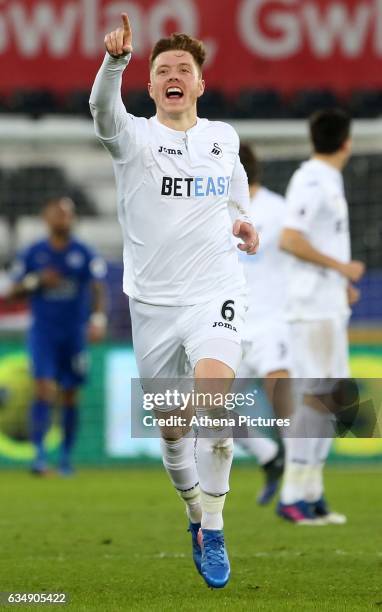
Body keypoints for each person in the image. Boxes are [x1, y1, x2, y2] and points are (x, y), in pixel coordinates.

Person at [89, 14, 259, 588]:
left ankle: (213, 527)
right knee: (171, 426)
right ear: (151, 85)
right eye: (162, 70)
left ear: (200, 84)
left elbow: (234, 182)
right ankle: (194, 512)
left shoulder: (223, 136)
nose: (173, 74)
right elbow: (100, 112)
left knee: (214, 405)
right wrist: (115, 62)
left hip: (215, 290)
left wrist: (244, 220)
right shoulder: (133, 137)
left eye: (184, 68)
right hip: (153, 305)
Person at [278, 109, 365, 524]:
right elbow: (290, 239)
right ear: (346, 141)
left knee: (336, 398)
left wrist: (340, 281)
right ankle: (292, 494)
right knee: (316, 397)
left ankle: (311, 492)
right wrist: (341, 268)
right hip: (310, 308)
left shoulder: (327, 180)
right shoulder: (311, 180)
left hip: (327, 303)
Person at [8, 197, 107, 475]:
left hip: (74, 332)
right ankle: (39, 457)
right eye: (58, 214)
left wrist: (98, 319)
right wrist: (37, 281)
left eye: (67, 214)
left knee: (70, 395)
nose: (63, 218)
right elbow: (12, 290)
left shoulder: (84, 252)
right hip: (44, 333)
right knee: (42, 388)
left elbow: (98, 288)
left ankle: (65, 458)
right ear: (46, 218)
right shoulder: (33, 253)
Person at [235, 144, 290, 505]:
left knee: (283, 398)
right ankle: (269, 456)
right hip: (230, 324)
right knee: (208, 405)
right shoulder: (216, 211)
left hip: (273, 320)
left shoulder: (278, 209)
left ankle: (300, 475)